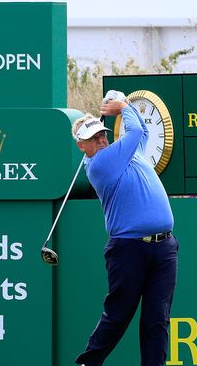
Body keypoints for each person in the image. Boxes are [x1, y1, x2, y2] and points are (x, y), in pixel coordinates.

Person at [72, 91, 178, 366]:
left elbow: (138, 136)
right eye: (94, 138)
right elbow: (138, 129)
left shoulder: (129, 153)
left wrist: (120, 102)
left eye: (103, 135)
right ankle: (88, 362)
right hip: (129, 249)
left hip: (164, 247)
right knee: (118, 315)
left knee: (158, 318)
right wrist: (123, 106)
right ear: (82, 146)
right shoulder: (100, 165)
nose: (102, 140)